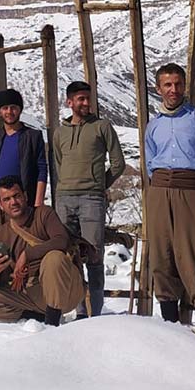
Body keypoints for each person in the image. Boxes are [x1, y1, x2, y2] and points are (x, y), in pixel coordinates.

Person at [144, 63, 195, 335]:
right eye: (167, 85)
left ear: (184, 87)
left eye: (178, 84)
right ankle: (170, 331)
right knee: (161, 256)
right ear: (158, 89)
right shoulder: (153, 125)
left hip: (191, 191)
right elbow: (149, 164)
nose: (173, 90)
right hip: (158, 193)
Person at [53, 80, 126, 318]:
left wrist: (99, 185)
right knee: (69, 256)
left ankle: (95, 313)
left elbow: (118, 163)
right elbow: (58, 164)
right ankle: (78, 309)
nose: (85, 103)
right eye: (80, 99)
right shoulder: (60, 132)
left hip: (91, 200)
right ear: (69, 102)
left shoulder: (102, 127)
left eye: (88, 98)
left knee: (94, 256)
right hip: (64, 199)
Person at [0, 176, 84, 326]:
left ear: (25, 196)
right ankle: (33, 316)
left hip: (65, 290)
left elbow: (61, 241)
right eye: (7, 199)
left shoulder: (44, 214)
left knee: (54, 258)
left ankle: (52, 323)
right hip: (30, 294)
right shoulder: (3, 233)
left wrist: (28, 254)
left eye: (17, 196)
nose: (13, 202)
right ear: (0, 204)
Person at [0, 88, 48, 249]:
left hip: (21, 201)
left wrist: (37, 204)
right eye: (5, 108)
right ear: (0, 112)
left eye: (14, 107)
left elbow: (42, 171)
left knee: (22, 246)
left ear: (20, 109)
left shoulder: (32, 137)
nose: (10, 112)